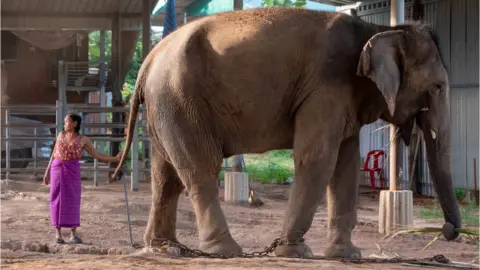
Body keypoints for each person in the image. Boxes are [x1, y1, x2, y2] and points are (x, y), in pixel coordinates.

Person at [43, 113, 122, 244]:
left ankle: (73, 233)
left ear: (75, 123)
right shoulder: (60, 135)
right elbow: (53, 154)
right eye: (64, 122)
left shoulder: (83, 139)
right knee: (56, 198)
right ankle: (58, 234)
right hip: (57, 169)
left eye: (67, 121)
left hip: (72, 170)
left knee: (72, 198)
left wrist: (115, 159)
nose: (64, 124)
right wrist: (47, 172)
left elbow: (97, 155)